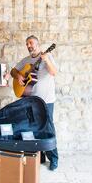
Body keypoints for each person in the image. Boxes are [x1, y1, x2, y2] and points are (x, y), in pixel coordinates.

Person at [10, 35, 59, 171]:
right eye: (27, 44)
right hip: (30, 100)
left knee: (48, 128)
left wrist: (46, 60)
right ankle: (38, 156)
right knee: (32, 128)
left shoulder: (46, 57)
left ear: (38, 44)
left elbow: (54, 72)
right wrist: (18, 76)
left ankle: (53, 158)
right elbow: (13, 70)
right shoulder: (26, 61)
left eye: (31, 43)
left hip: (46, 100)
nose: (29, 45)